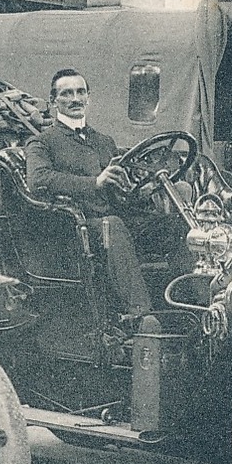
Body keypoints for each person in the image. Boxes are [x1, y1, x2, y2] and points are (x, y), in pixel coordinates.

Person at [23, 68, 155, 317]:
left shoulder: (104, 141)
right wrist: (95, 182)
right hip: (73, 228)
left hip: (114, 223)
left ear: (88, 98)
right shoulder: (42, 142)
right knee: (112, 225)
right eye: (67, 93)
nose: (75, 99)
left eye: (80, 92)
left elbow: (119, 192)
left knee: (172, 227)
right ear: (53, 102)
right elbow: (38, 180)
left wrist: (139, 190)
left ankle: (199, 308)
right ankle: (141, 315)